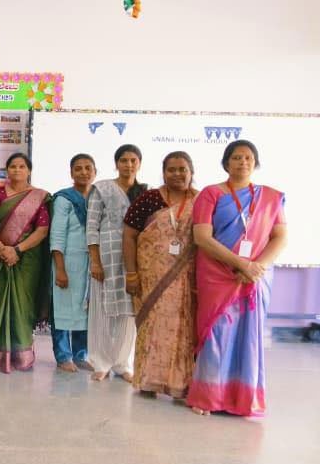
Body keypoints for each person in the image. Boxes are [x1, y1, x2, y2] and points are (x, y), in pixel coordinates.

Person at [188, 140, 287, 416]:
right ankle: (207, 398)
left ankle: (243, 399)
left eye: (248, 157)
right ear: (226, 162)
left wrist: (257, 267)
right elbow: (202, 238)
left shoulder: (270, 197)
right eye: (236, 157)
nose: (242, 162)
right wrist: (240, 264)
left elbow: (280, 237)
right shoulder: (210, 194)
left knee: (248, 337)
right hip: (218, 274)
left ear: (255, 163)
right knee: (216, 333)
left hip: (256, 278)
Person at [122, 151, 198, 399]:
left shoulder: (202, 201)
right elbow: (129, 236)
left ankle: (180, 384)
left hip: (187, 279)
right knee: (152, 326)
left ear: (191, 172)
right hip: (150, 277)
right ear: (163, 172)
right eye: (171, 169)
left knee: (183, 329)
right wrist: (131, 274)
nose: (177, 174)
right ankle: (148, 380)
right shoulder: (149, 199)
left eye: (182, 169)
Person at [0, 153, 50, 373]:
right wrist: (2, 249)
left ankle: (21, 356)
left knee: (22, 304)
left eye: (21, 166)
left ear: (29, 170)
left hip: (27, 259)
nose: (17, 170)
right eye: (12, 166)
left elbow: (42, 229)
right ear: (7, 170)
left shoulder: (40, 197)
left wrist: (17, 249)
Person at [87, 144, 147, 382]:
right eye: (124, 160)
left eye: (133, 160)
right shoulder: (101, 189)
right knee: (102, 310)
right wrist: (95, 261)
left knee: (128, 312)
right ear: (116, 163)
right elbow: (92, 226)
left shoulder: (144, 192)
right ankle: (100, 362)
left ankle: (123, 363)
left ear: (139, 163)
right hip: (106, 256)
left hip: (133, 259)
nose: (129, 165)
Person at [50, 154, 97, 373]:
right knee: (62, 310)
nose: (83, 172)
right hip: (67, 262)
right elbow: (57, 236)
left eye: (88, 168)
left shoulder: (98, 198)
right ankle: (63, 355)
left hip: (91, 263)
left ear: (95, 172)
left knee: (85, 310)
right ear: (71, 173)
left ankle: (80, 355)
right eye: (78, 169)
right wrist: (60, 269)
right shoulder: (64, 199)